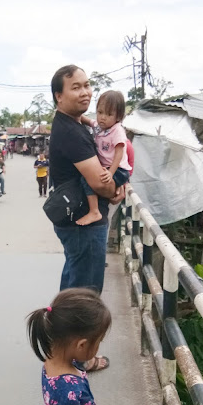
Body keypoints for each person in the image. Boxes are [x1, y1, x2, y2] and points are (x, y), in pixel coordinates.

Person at [49, 65, 124, 372]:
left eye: (87, 85)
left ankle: (59, 348)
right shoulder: (71, 132)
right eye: (76, 87)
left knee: (72, 286)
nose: (85, 92)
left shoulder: (73, 124)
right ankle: (78, 360)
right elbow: (97, 182)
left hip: (74, 221)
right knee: (86, 294)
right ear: (59, 96)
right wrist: (115, 190)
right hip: (84, 223)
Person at [77, 91, 131, 226]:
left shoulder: (117, 130)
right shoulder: (99, 127)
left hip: (118, 169)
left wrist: (111, 173)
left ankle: (94, 211)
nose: (102, 118)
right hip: (108, 168)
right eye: (100, 112)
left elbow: (119, 154)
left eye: (109, 114)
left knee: (87, 179)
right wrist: (71, 114)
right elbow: (87, 120)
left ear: (118, 117)